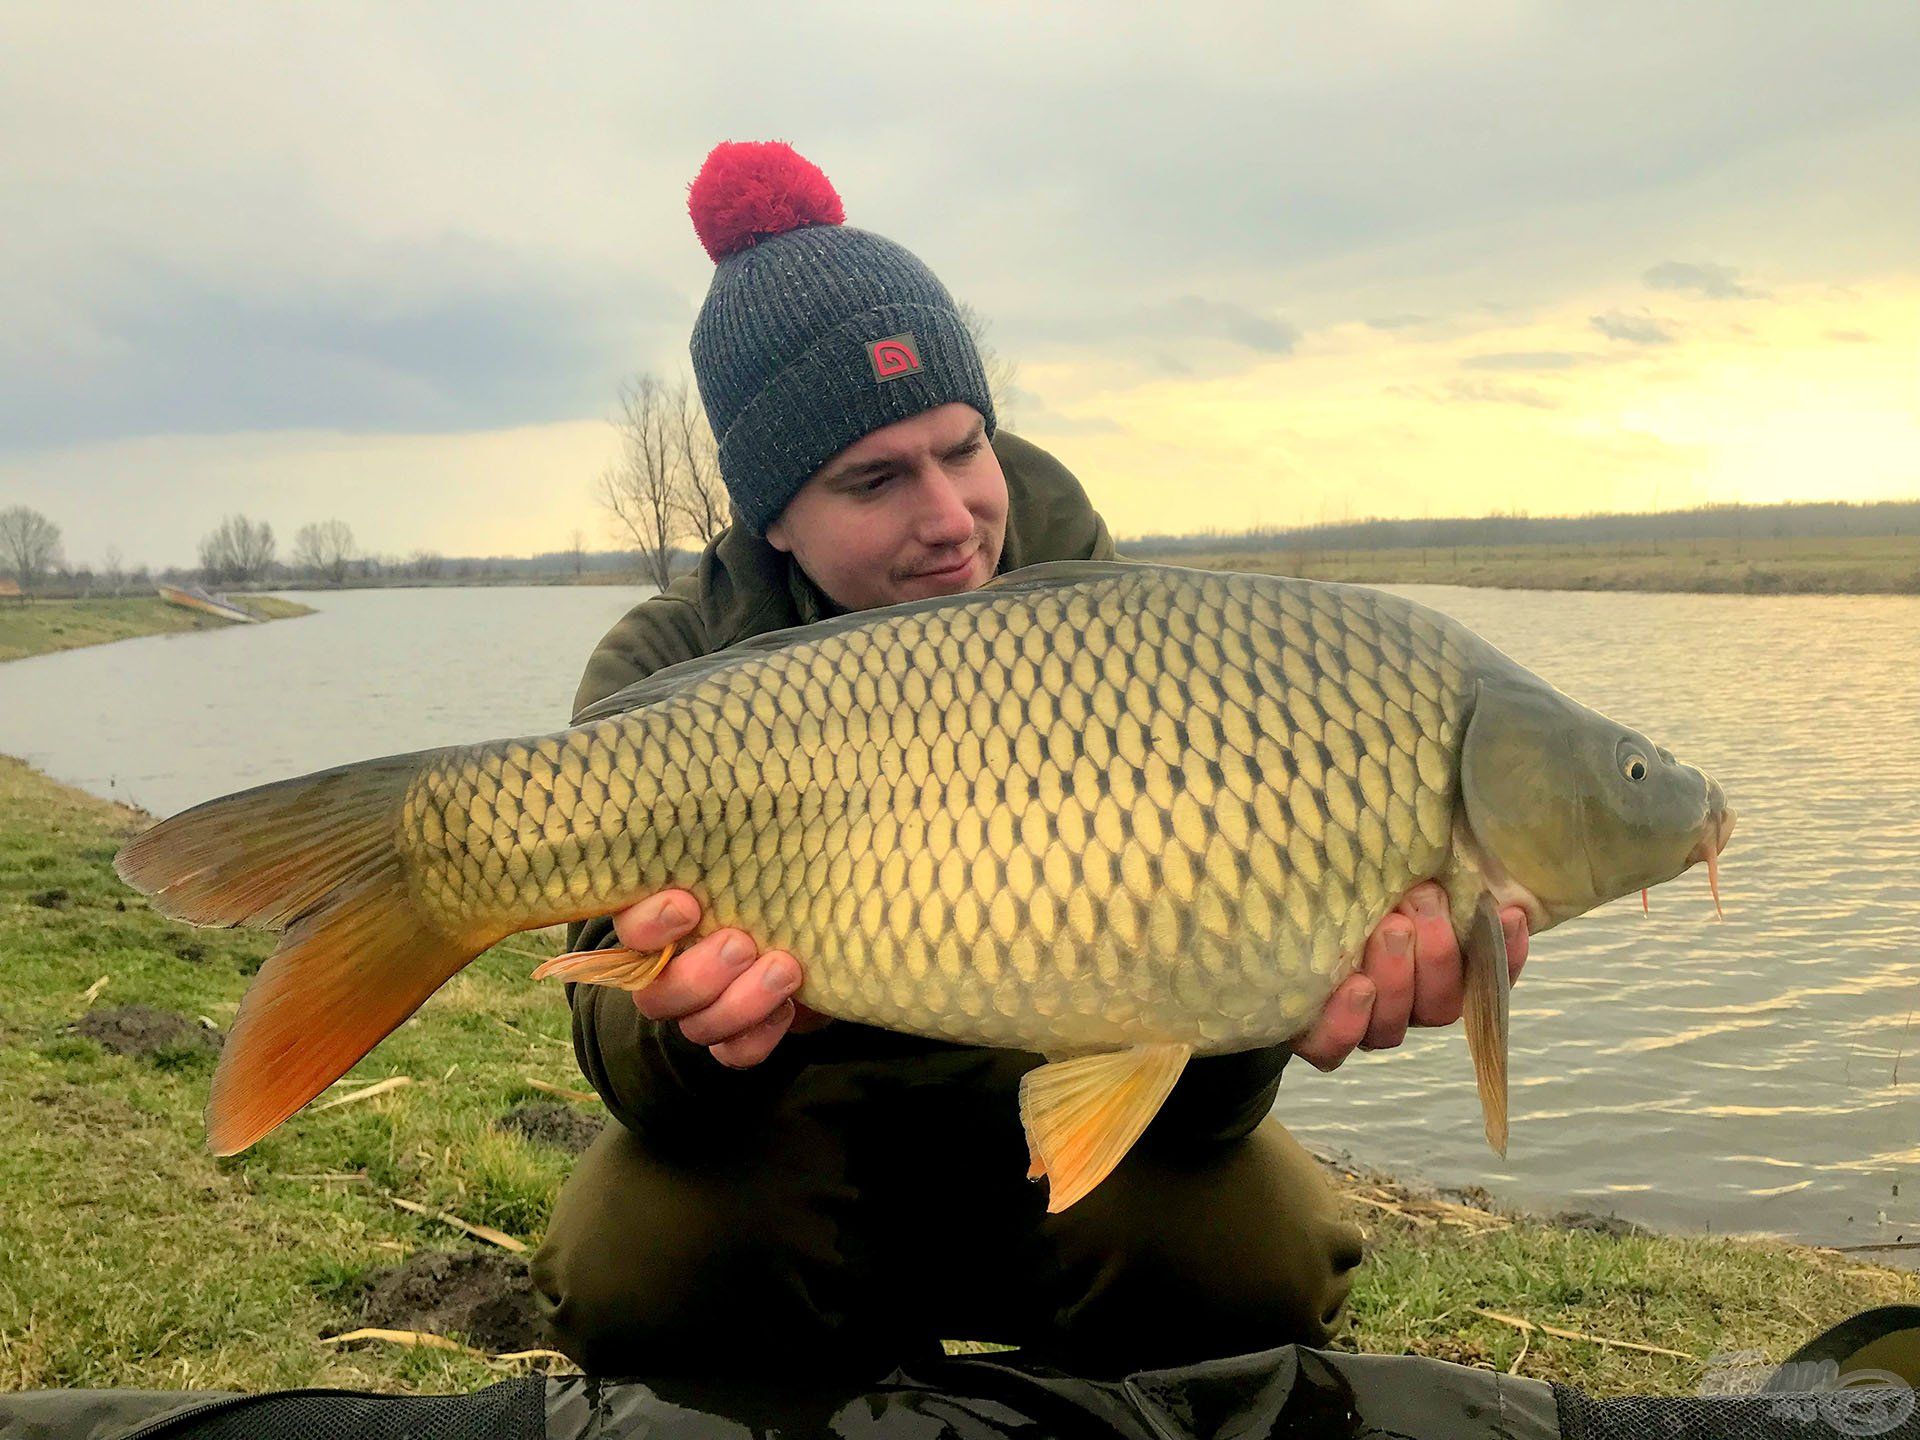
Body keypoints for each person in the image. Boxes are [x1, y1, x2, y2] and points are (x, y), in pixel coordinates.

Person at [529, 141, 1531, 1383]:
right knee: (629, 1265)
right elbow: (629, 1074)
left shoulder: (1141, 641)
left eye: (962, 448)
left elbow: (1203, 1108)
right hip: (786, 1149)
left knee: (1259, 1251)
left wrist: (1286, 993)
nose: (949, 516)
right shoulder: (667, 669)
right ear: (774, 514)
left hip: (1060, 1136)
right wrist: (699, 1034)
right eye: (876, 479)